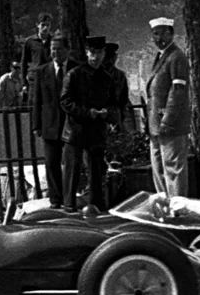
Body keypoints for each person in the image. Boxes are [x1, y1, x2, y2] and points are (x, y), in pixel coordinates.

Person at [60, 35, 115, 211]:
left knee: (96, 173)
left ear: (104, 53)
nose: (96, 56)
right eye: (92, 52)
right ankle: (69, 207)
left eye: (99, 52)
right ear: (86, 52)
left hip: (96, 130)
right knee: (72, 172)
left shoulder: (107, 77)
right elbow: (65, 101)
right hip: (76, 131)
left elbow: (115, 102)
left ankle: (96, 207)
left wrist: (108, 112)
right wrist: (86, 112)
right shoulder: (74, 75)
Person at [144, 16, 191, 196]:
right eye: (155, 34)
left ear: (172, 34)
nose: (158, 38)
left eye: (163, 34)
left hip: (170, 125)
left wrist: (167, 121)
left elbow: (178, 92)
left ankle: (178, 208)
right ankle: (165, 205)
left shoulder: (176, 57)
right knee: (159, 169)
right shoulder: (160, 56)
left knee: (173, 168)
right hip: (156, 126)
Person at [30, 33, 71, 207]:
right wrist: (36, 125)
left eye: (59, 49)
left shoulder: (76, 69)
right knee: (51, 163)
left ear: (68, 50)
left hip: (71, 125)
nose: (56, 53)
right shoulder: (42, 71)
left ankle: (70, 197)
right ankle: (56, 199)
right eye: (53, 49)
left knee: (71, 163)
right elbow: (37, 100)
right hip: (50, 124)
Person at [101, 41, 135, 140]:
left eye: (112, 57)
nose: (110, 61)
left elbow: (124, 97)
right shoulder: (95, 74)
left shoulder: (120, 75)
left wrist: (122, 114)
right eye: (107, 58)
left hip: (116, 113)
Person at [20, 13, 55, 81]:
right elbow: (24, 63)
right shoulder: (30, 41)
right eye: (43, 25)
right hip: (34, 78)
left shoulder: (54, 41)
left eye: (48, 25)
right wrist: (24, 82)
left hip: (50, 78)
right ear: (37, 25)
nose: (45, 28)